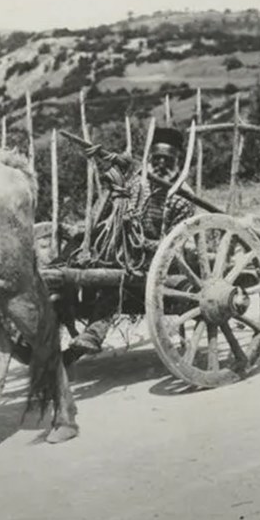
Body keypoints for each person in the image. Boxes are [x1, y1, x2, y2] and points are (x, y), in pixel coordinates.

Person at [63, 126, 195, 364]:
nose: (161, 165)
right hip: (126, 251)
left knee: (118, 279)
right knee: (79, 254)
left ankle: (94, 333)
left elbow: (176, 245)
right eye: (157, 159)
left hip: (158, 263)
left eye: (168, 160)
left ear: (178, 162)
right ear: (149, 159)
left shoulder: (183, 197)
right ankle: (58, 303)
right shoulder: (136, 185)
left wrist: (145, 243)